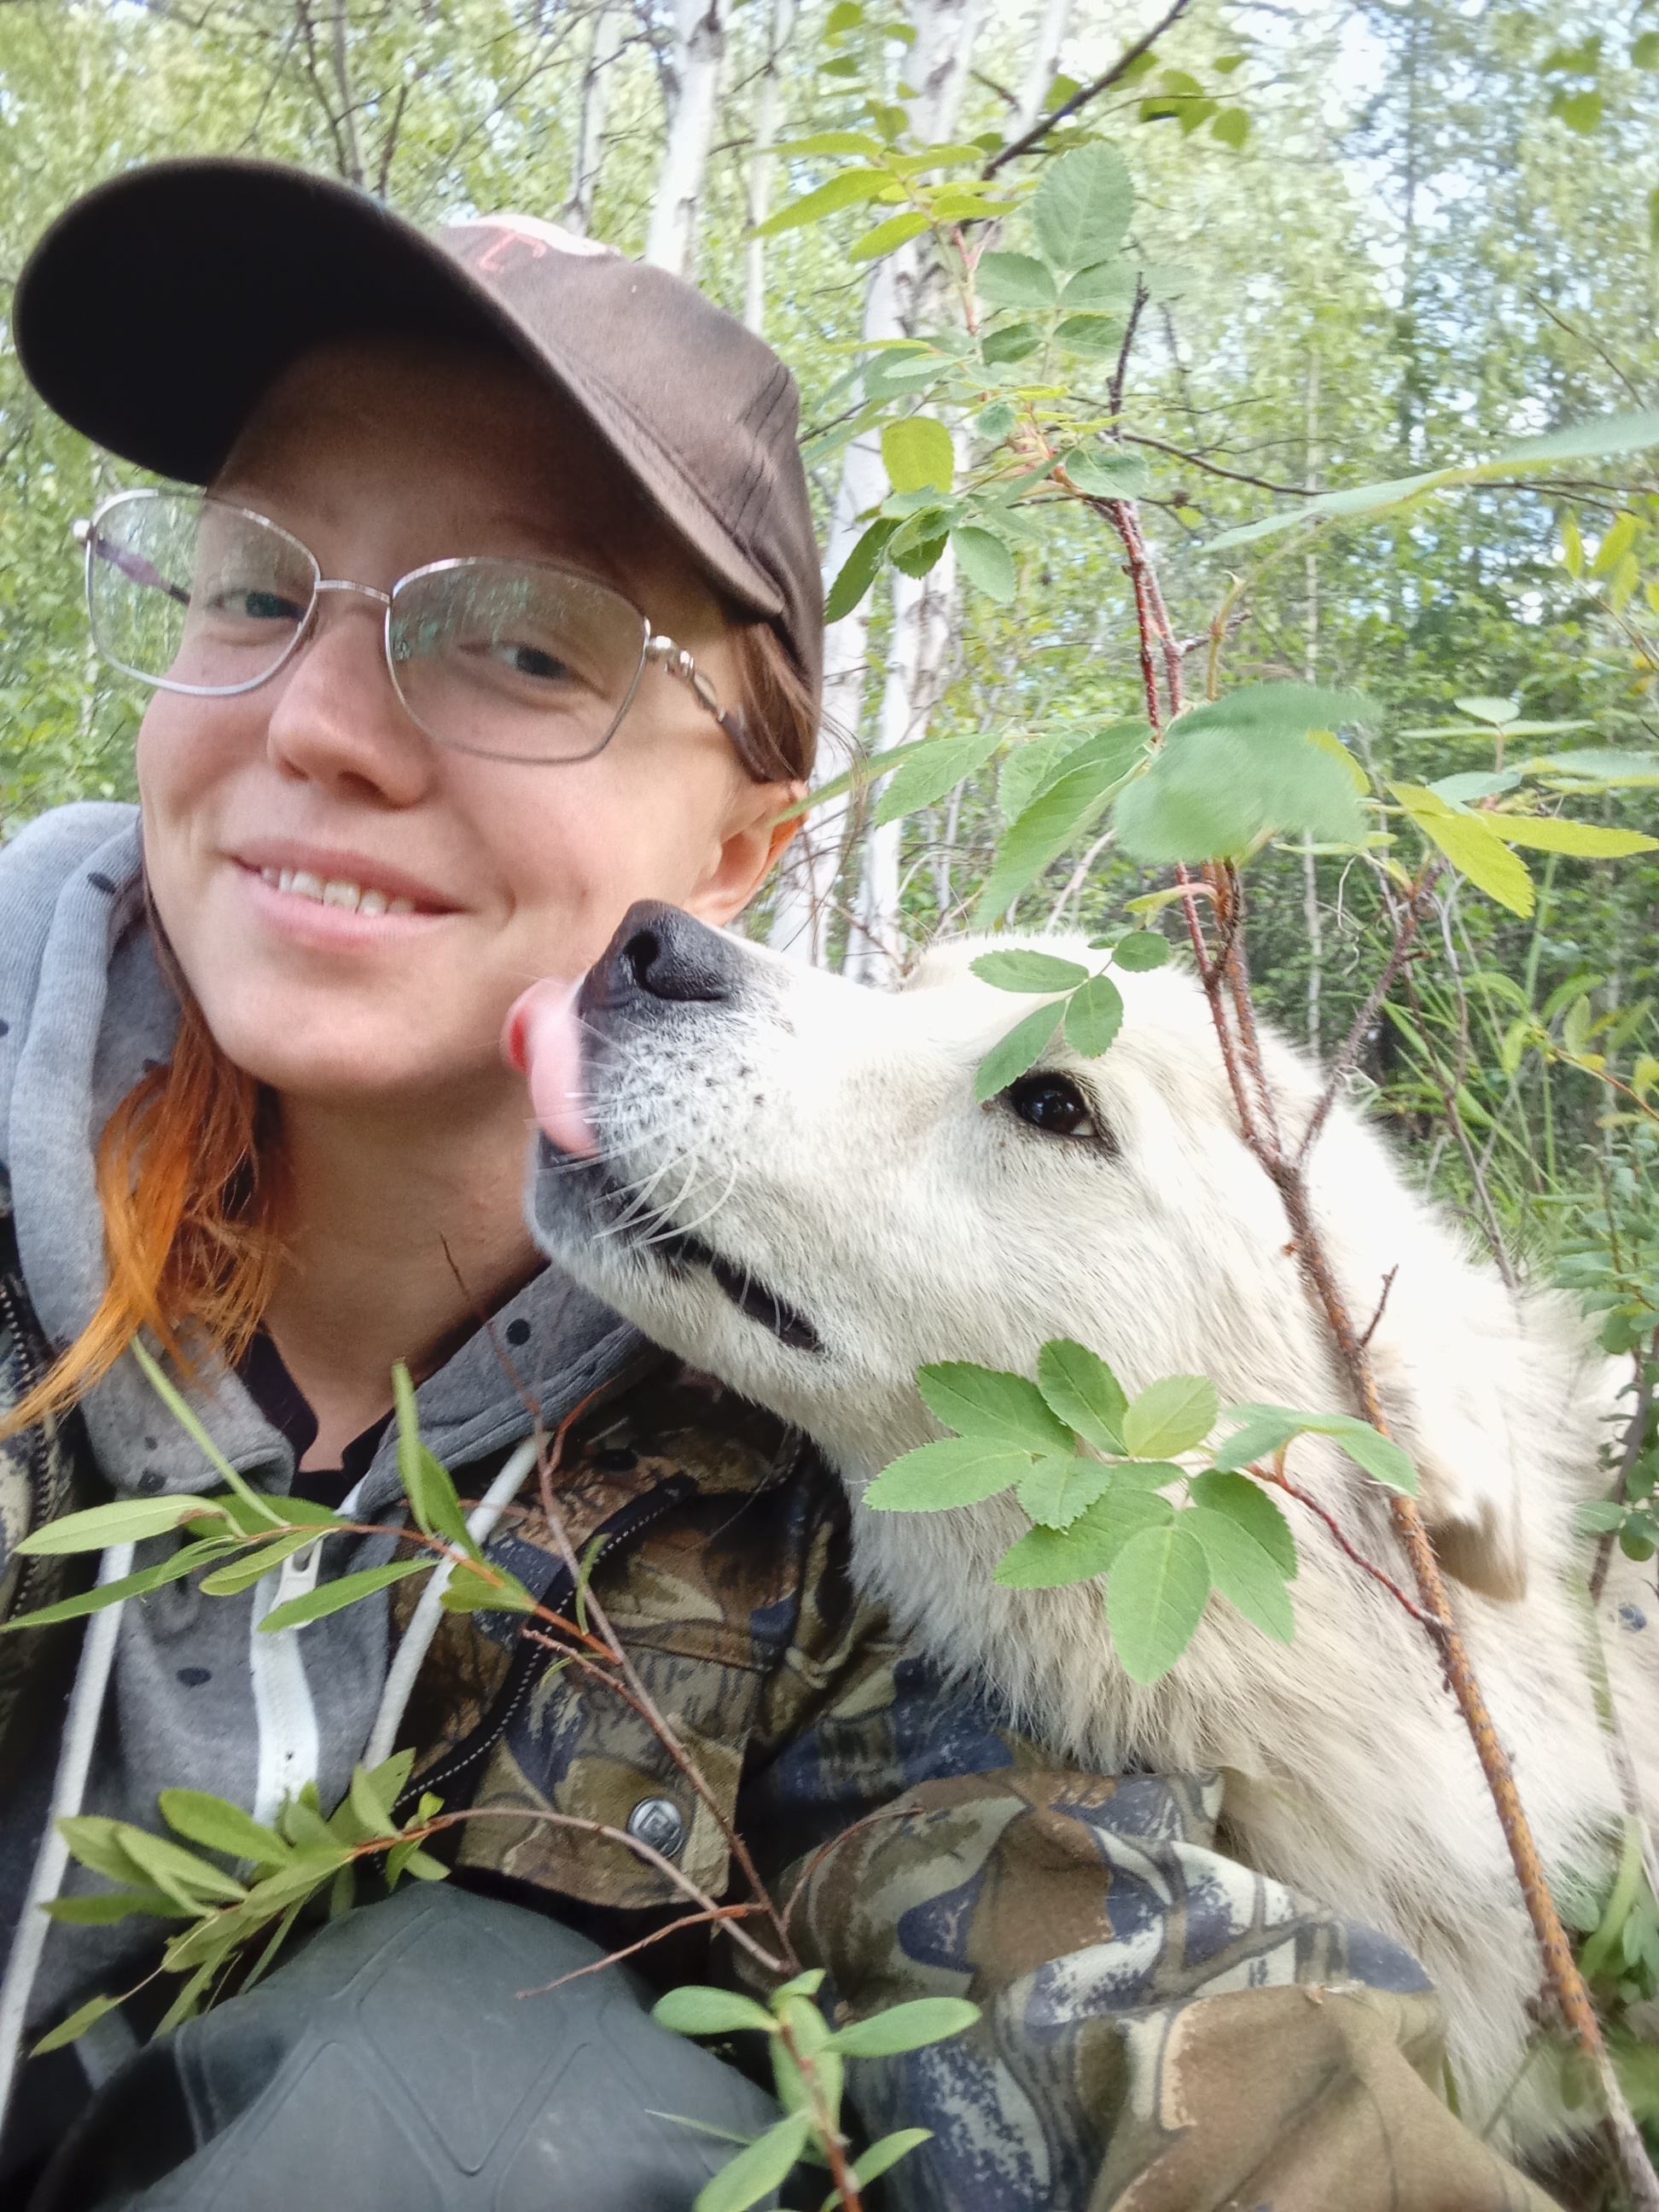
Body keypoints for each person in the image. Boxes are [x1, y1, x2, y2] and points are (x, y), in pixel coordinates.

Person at [0, 159, 1561, 2211]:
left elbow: (1131, 1996)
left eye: (525, 644)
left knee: (491, 2083)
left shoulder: (813, 1470)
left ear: (742, 843)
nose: (316, 723)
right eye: (258, 587)